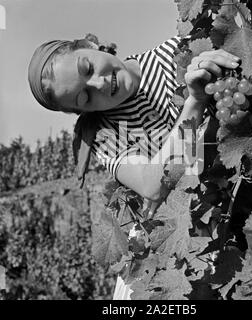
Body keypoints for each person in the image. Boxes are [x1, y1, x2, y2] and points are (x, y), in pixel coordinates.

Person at [28, 34, 240, 299]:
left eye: (88, 68)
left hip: (235, 205)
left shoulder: (176, 53)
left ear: (90, 46)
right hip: (177, 238)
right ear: (81, 111)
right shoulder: (104, 133)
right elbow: (153, 184)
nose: (101, 84)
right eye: (85, 97)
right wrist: (196, 101)